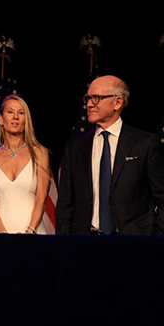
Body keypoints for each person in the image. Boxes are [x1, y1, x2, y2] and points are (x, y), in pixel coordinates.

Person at [56, 75, 164, 235]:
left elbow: (161, 198)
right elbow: (66, 203)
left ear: (118, 102)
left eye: (96, 98)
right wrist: (65, 243)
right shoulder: (76, 146)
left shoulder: (145, 143)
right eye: (88, 98)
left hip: (134, 244)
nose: (89, 104)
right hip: (85, 243)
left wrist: (155, 239)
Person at [0, 95, 51, 234]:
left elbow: (41, 199)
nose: (15, 117)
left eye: (21, 113)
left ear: (26, 119)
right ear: (1, 119)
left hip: (33, 234)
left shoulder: (40, 153)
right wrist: (3, 234)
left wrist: (29, 231)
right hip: (0, 236)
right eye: (10, 112)